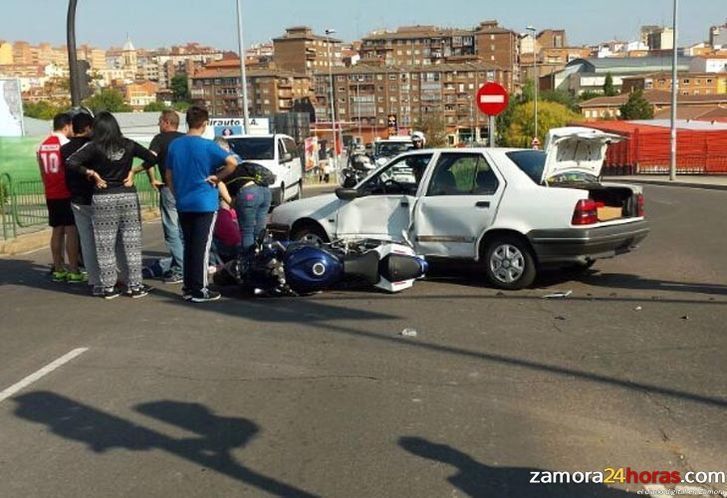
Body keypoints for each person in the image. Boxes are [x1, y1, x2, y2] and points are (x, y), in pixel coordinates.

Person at [67, 112, 157, 300]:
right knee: (132, 243)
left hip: (103, 198)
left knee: (104, 245)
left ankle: (108, 287)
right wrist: (133, 171)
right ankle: (136, 286)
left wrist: (91, 173)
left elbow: (71, 161)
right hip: (128, 197)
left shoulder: (93, 147)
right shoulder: (129, 144)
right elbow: (152, 157)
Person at [165, 106, 237, 303]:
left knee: (189, 246)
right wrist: (218, 177)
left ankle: (189, 287)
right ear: (205, 123)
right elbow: (232, 163)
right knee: (202, 247)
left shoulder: (175, 145)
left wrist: (176, 193)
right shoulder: (208, 146)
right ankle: (200, 289)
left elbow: (169, 176)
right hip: (205, 202)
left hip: (184, 201)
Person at [136, 110, 185, 284]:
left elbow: (150, 160)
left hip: (169, 188)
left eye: (159, 121)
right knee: (183, 229)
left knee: (171, 228)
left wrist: (143, 175)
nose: (158, 124)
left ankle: (181, 267)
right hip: (187, 190)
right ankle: (186, 263)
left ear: (166, 122)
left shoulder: (159, 139)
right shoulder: (185, 139)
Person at [38, 113, 84, 283]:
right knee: (70, 230)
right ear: (66, 126)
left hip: (51, 193)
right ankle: (73, 269)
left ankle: (58, 268)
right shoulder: (65, 144)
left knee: (56, 230)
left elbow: (42, 171)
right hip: (65, 192)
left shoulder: (42, 145)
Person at [61, 112, 102, 295]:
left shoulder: (64, 149)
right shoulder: (92, 146)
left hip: (76, 198)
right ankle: (107, 276)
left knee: (86, 241)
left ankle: (93, 279)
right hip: (95, 196)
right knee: (104, 239)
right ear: (87, 128)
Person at [213, 137, 272, 255]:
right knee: (259, 232)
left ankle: (249, 264)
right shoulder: (237, 157)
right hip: (265, 192)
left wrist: (231, 203)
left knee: (247, 232)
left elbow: (219, 182)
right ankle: (263, 261)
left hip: (248, 193)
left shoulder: (221, 162)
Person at [209, 182, 241, 267]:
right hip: (237, 245)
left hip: (227, 248)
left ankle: (216, 264)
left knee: (208, 239)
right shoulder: (232, 213)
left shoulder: (217, 215)